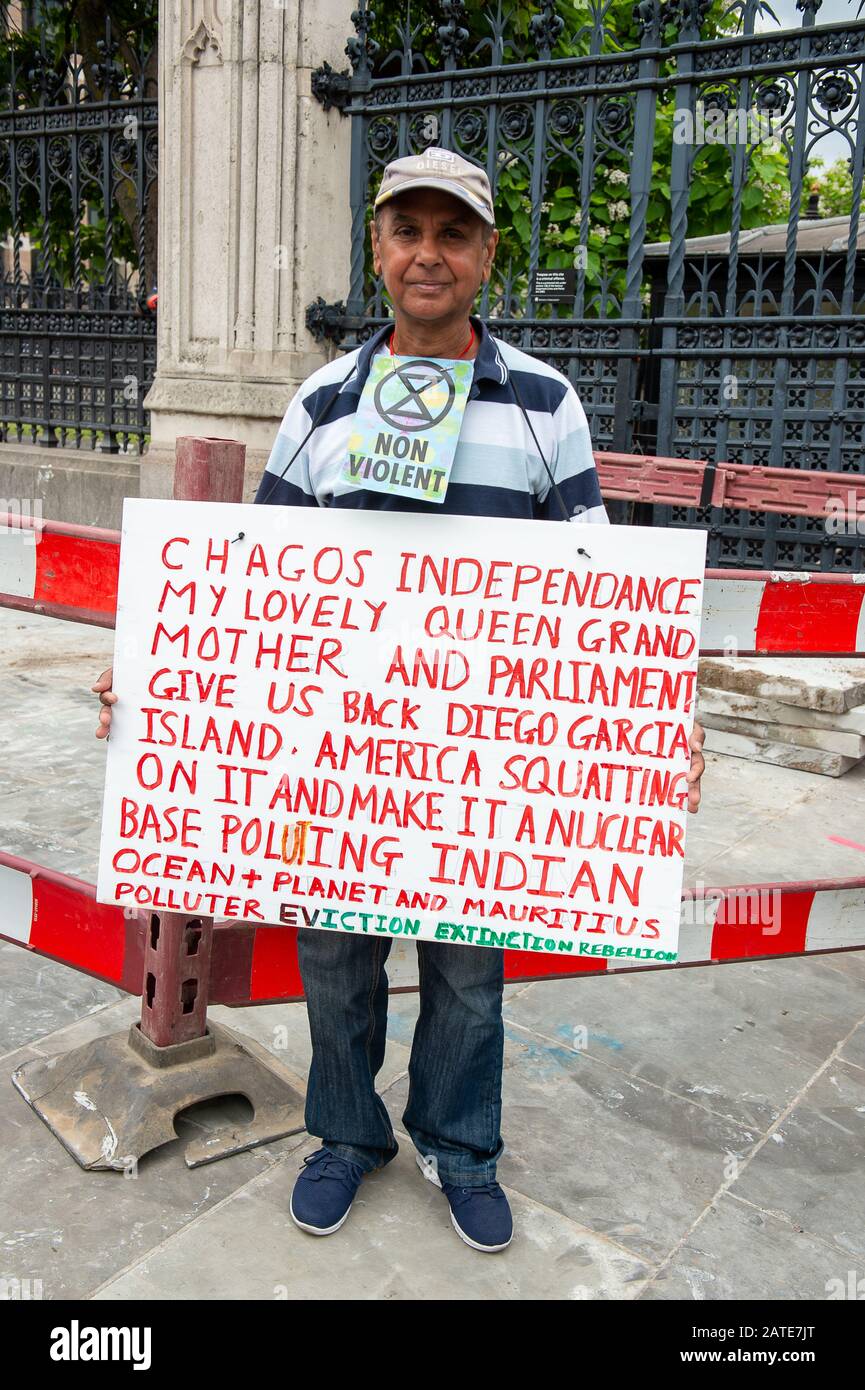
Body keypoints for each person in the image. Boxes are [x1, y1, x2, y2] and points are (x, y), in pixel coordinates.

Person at [94, 147, 705, 1255]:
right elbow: (244, 577)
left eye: (453, 233)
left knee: (467, 968)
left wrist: (666, 720)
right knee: (335, 955)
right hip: (336, 764)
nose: (429, 253)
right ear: (377, 250)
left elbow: (595, 588)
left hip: (475, 764)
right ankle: (345, 1133)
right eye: (407, 230)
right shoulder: (321, 403)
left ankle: (461, 1147)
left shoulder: (543, 405)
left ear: (486, 257)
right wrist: (154, 675)